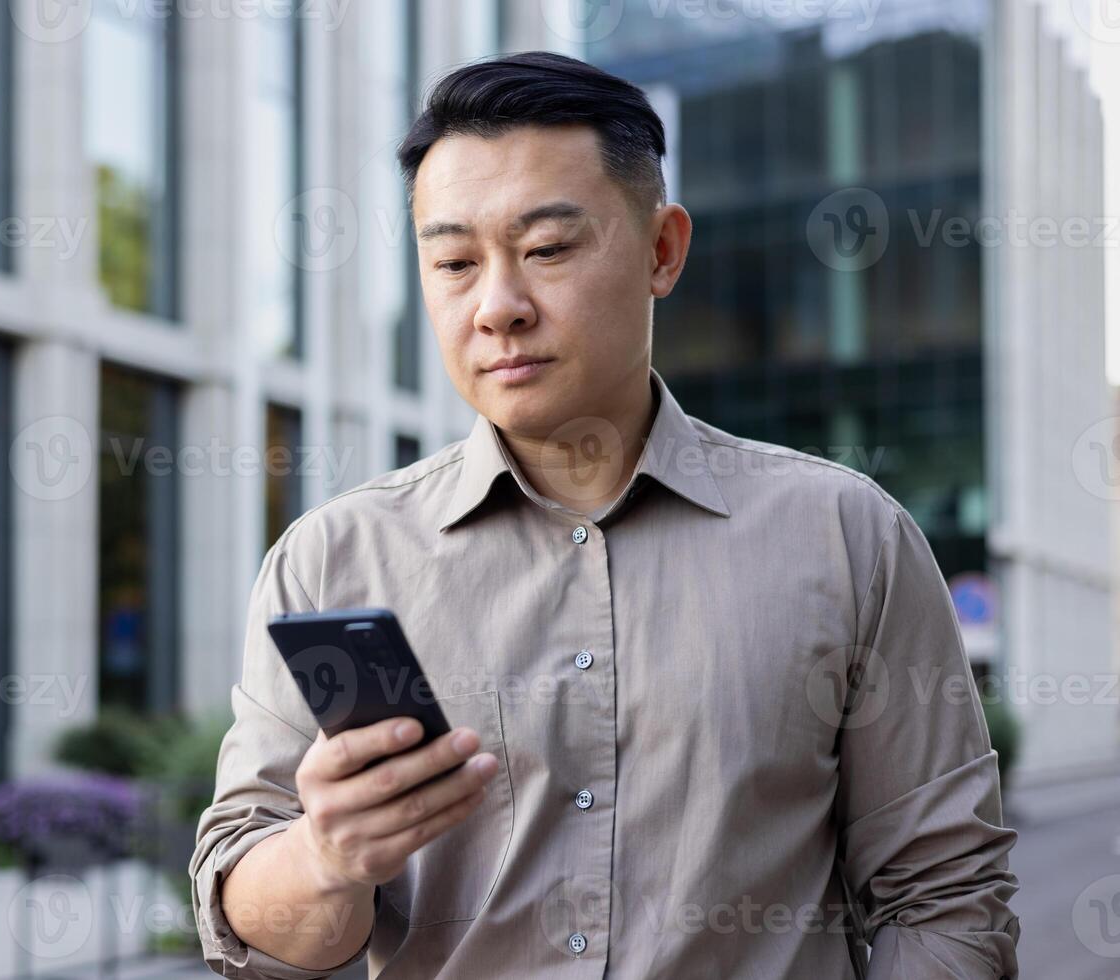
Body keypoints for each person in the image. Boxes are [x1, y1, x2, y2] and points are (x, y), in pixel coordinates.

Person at [190, 51, 1019, 979]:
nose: (498, 307)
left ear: (663, 250)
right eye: (455, 261)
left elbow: (943, 898)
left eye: (546, 249)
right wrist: (325, 858)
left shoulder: (846, 536)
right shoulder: (335, 559)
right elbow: (252, 931)